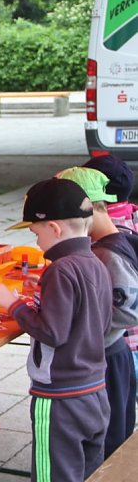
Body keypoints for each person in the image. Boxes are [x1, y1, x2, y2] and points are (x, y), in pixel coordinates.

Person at [0, 177, 112, 482]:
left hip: (60, 399)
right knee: (89, 480)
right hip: (95, 390)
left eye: (36, 233)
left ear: (54, 229)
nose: (37, 242)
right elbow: (95, 321)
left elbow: (53, 333)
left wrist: (13, 304)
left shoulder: (60, 269)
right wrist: (45, 297)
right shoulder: (96, 263)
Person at [56, 167, 138, 458]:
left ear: (86, 208)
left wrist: (82, 320)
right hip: (110, 355)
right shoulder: (106, 245)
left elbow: (129, 311)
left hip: (109, 358)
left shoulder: (107, 253)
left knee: (110, 442)